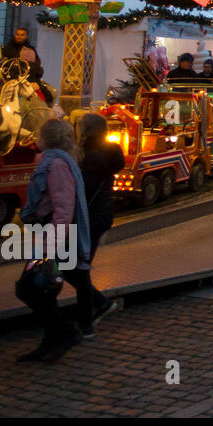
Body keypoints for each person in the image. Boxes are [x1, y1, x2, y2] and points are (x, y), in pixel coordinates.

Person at [16, 119, 93, 362]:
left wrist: (50, 247)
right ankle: (53, 339)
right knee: (40, 290)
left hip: (52, 237)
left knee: (32, 287)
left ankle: (64, 333)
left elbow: (63, 208)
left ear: (44, 138)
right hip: (47, 234)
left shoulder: (57, 165)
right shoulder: (52, 161)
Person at [75, 113, 123, 334]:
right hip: (99, 216)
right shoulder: (105, 153)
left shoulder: (93, 157)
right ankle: (90, 316)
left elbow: (84, 191)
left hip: (90, 219)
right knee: (76, 268)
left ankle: (95, 311)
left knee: (76, 269)